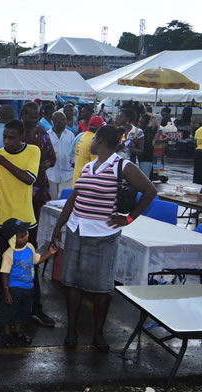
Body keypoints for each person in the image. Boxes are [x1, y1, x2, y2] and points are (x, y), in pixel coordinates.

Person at [51, 125, 156, 351]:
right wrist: (59, 226)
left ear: (100, 141)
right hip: (77, 230)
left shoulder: (122, 166)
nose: (91, 143)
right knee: (73, 285)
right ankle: (71, 331)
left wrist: (128, 219)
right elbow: (74, 198)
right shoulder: (90, 166)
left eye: (94, 139)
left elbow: (150, 191)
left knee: (101, 288)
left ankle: (98, 333)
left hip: (103, 235)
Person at [0, 120, 40, 316]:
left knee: (26, 269)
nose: (7, 141)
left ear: (21, 137)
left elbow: (29, 178)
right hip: (2, 221)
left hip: (25, 220)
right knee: (1, 268)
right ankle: (2, 303)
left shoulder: (33, 151)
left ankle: (31, 308)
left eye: (11, 138)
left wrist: (4, 162)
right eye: (5, 137)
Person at [19, 101, 56, 327]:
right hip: (16, 199)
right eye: (30, 115)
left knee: (29, 250)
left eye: (36, 115)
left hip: (37, 197)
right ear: (23, 114)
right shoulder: (15, 132)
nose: (33, 118)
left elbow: (52, 158)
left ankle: (34, 307)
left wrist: (41, 166)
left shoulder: (43, 134)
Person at [0, 218, 57, 348]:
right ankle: (6, 334)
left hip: (28, 288)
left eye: (26, 234)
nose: (26, 237)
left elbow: (37, 260)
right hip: (14, 289)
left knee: (22, 311)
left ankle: (17, 332)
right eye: (22, 236)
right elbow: (5, 273)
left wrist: (49, 253)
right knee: (9, 311)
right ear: (13, 239)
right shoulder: (9, 254)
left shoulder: (29, 247)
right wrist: (6, 291)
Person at [47, 111, 75, 200]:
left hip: (67, 174)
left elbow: (73, 153)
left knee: (65, 201)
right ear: (53, 121)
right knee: (52, 201)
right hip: (51, 173)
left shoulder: (70, 135)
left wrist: (74, 165)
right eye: (61, 120)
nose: (64, 122)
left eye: (65, 120)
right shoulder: (47, 135)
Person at [72, 116, 104, 184]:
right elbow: (95, 166)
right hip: (85, 182)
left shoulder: (81, 137)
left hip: (76, 179)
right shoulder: (94, 142)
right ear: (100, 128)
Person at [137, 113, 157, 179]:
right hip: (137, 157)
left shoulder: (149, 130)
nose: (140, 124)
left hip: (146, 158)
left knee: (144, 178)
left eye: (142, 122)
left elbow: (155, 126)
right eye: (139, 122)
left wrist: (152, 117)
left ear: (147, 123)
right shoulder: (136, 130)